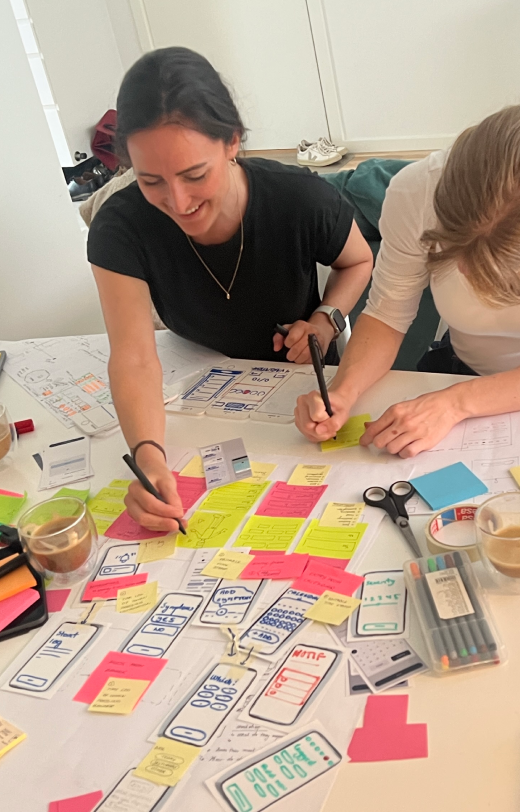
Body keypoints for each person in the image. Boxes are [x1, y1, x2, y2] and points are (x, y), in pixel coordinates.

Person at [90, 47, 373, 532]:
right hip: (194, 375)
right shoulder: (121, 226)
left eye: (195, 175)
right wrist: (150, 458)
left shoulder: (299, 199)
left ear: (232, 142)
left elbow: (359, 261)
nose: (177, 203)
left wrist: (327, 318)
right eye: (150, 180)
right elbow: (134, 356)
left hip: (296, 382)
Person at [295, 96, 520, 456]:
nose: (469, 277)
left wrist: (455, 405)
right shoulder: (417, 190)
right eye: (459, 255)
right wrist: (342, 392)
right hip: (459, 372)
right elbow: (387, 313)